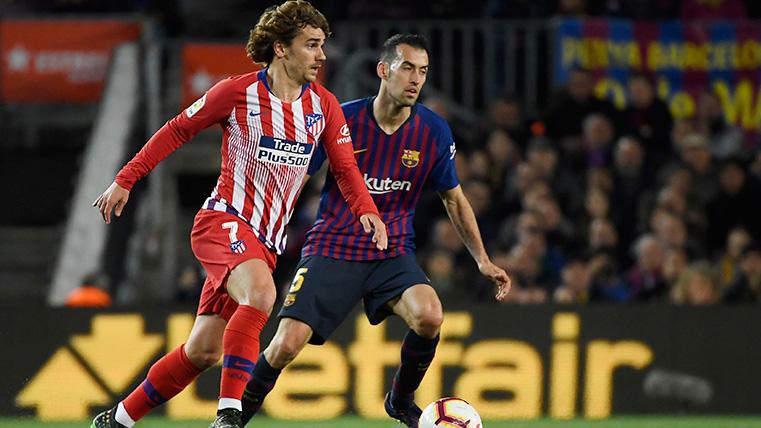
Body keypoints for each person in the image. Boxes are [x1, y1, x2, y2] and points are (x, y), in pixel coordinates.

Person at [90, 2, 387, 428]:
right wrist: (125, 178)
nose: (322, 56)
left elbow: (344, 167)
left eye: (323, 45)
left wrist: (367, 211)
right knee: (263, 296)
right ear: (281, 48)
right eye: (312, 45)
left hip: (264, 243)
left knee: (203, 351)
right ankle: (229, 416)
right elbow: (177, 129)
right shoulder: (237, 92)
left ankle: (117, 419)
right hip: (222, 222)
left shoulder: (324, 106)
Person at [238, 34, 511, 427]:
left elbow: (454, 199)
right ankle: (234, 416)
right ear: (383, 70)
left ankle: (400, 400)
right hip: (333, 247)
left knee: (430, 315)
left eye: (423, 71)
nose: (416, 80)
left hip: (392, 253)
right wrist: (263, 231)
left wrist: (482, 259)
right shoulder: (341, 119)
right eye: (407, 68)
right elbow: (295, 177)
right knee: (284, 345)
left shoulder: (433, 132)